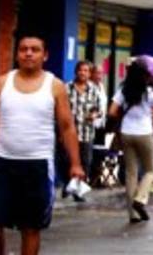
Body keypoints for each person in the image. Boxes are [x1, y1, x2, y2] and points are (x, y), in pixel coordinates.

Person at [0, 34, 86, 255]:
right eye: (23, 49)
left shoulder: (55, 86)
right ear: (17, 54)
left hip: (38, 165)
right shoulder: (2, 83)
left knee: (30, 227)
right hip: (3, 163)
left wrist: (76, 164)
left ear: (45, 55)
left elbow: (67, 127)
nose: (28, 53)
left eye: (35, 49)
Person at [109, 58, 153, 223]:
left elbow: (112, 112)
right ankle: (140, 199)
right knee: (150, 170)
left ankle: (132, 215)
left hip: (126, 133)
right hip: (144, 133)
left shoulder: (123, 89)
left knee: (130, 173)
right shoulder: (151, 91)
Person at [64, 60, 102, 201]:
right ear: (76, 72)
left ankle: (77, 190)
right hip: (70, 133)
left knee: (85, 162)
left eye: (86, 71)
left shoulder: (94, 89)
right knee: (68, 161)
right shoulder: (67, 88)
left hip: (87, 133)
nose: (83, 73)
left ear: (89, 74)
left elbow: (99, 110)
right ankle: (68, 184)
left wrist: (94, 115)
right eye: (80, 70)